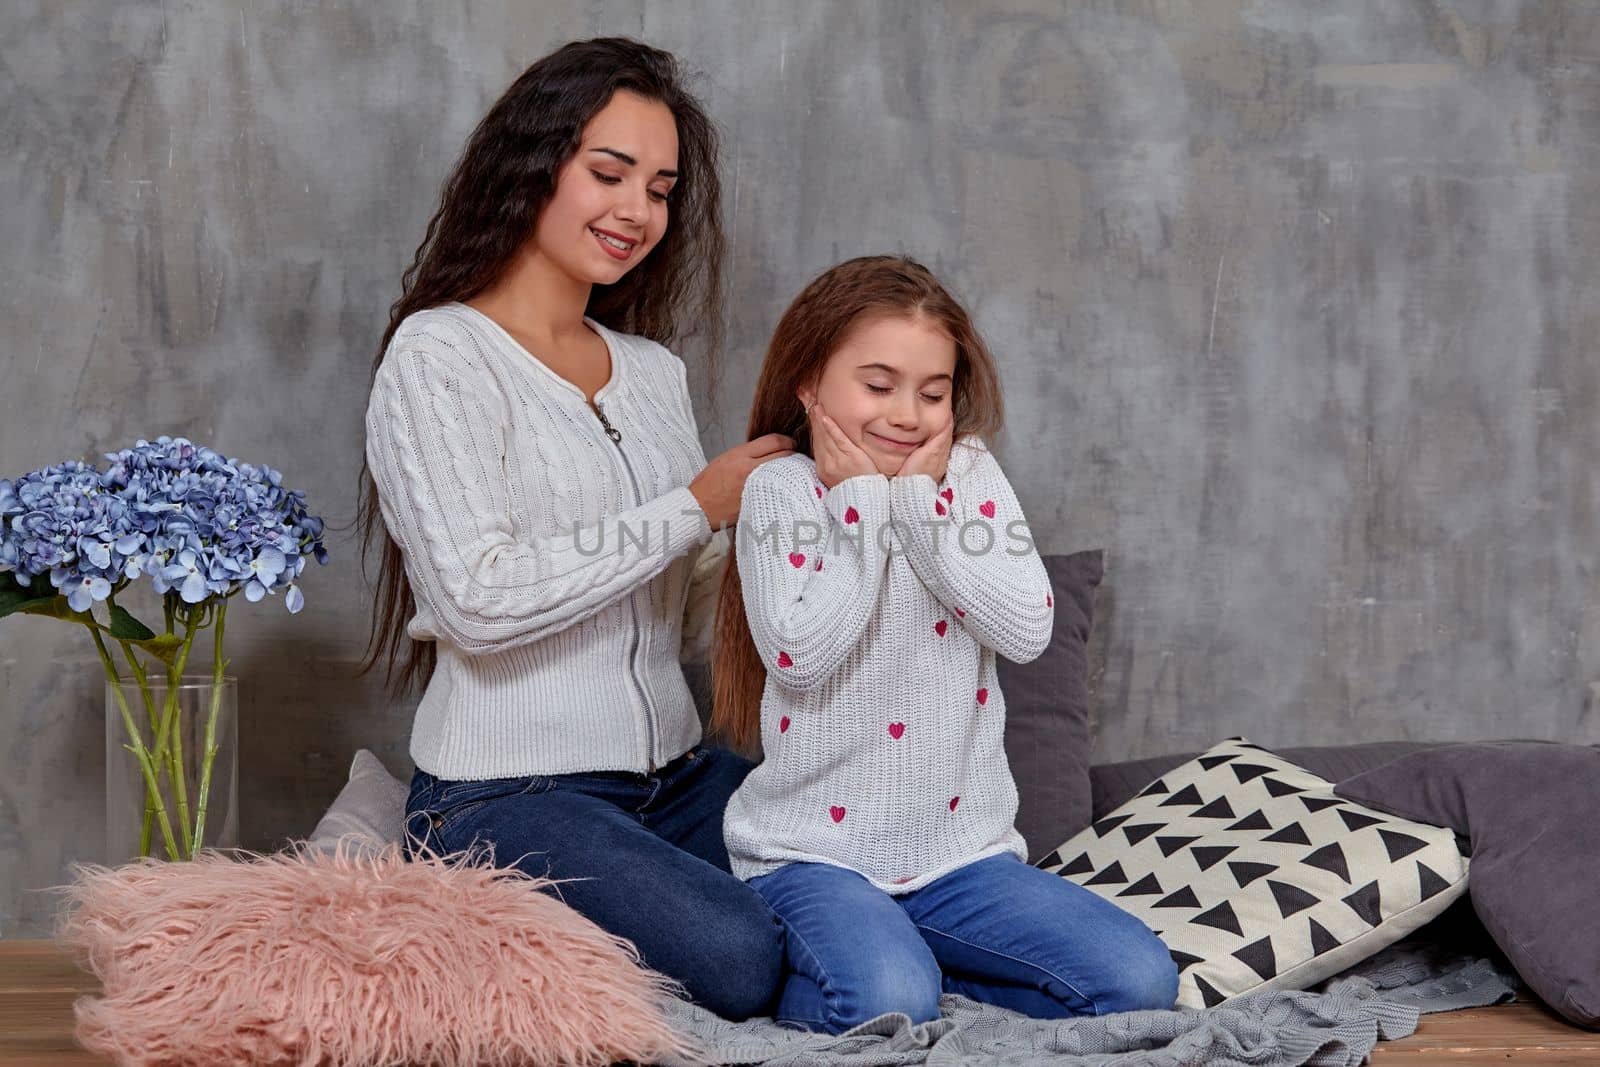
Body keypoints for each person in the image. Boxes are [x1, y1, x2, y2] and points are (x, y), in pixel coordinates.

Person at [359, 37, 792, 1020]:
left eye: (660, 186)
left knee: (867, 870)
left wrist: (790, 516)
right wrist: (693, 504)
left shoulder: (650, 371)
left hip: (674, 777)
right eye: (608, 172)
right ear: (532, 166)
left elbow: (674, 607)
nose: (636, 210)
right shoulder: (438, 355)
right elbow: (477, 598)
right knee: (741, 949)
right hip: (507, 795)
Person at [712, 255, 1178, 1033]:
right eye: (878, 384)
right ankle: (888, 967)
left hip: (960, 856)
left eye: (933, 393)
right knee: (886, 999)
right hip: (813, 854)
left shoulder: (968, 476)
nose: (907, 414)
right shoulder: (781, 491)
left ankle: (924, 962)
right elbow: (800, 653)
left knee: (1139, 980)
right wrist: (864, 502)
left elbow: (1028, 629)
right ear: (810, 386)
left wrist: (920, 509)